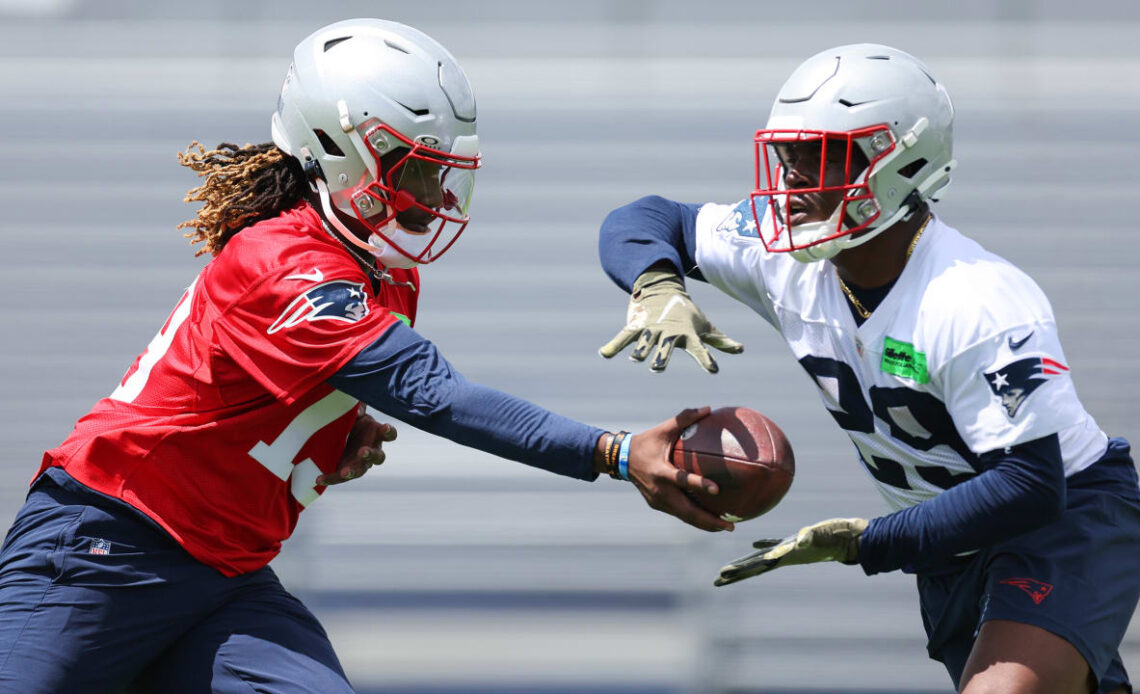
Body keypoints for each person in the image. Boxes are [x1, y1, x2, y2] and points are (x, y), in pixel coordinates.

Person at [0, 18, 732, 694]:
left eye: (439, 169)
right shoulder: (282, 260)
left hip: (227, 571)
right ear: (337, 150)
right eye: (412, 167)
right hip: (106, 545)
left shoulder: (383, 268)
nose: (432, 191)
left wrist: (317, 438)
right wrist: (614, 450)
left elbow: (261, 393)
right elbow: (438, 396)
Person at [596, 43, 1140, 694]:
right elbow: (644, 219)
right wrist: (657, 286)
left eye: (817, 160)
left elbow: (1030, 484)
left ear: (898, 165)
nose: (791, 185)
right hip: (945, 545)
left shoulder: (977, 302)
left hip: (1062, 522)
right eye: (788, 158)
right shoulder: (782, 257)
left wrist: (872, 541)